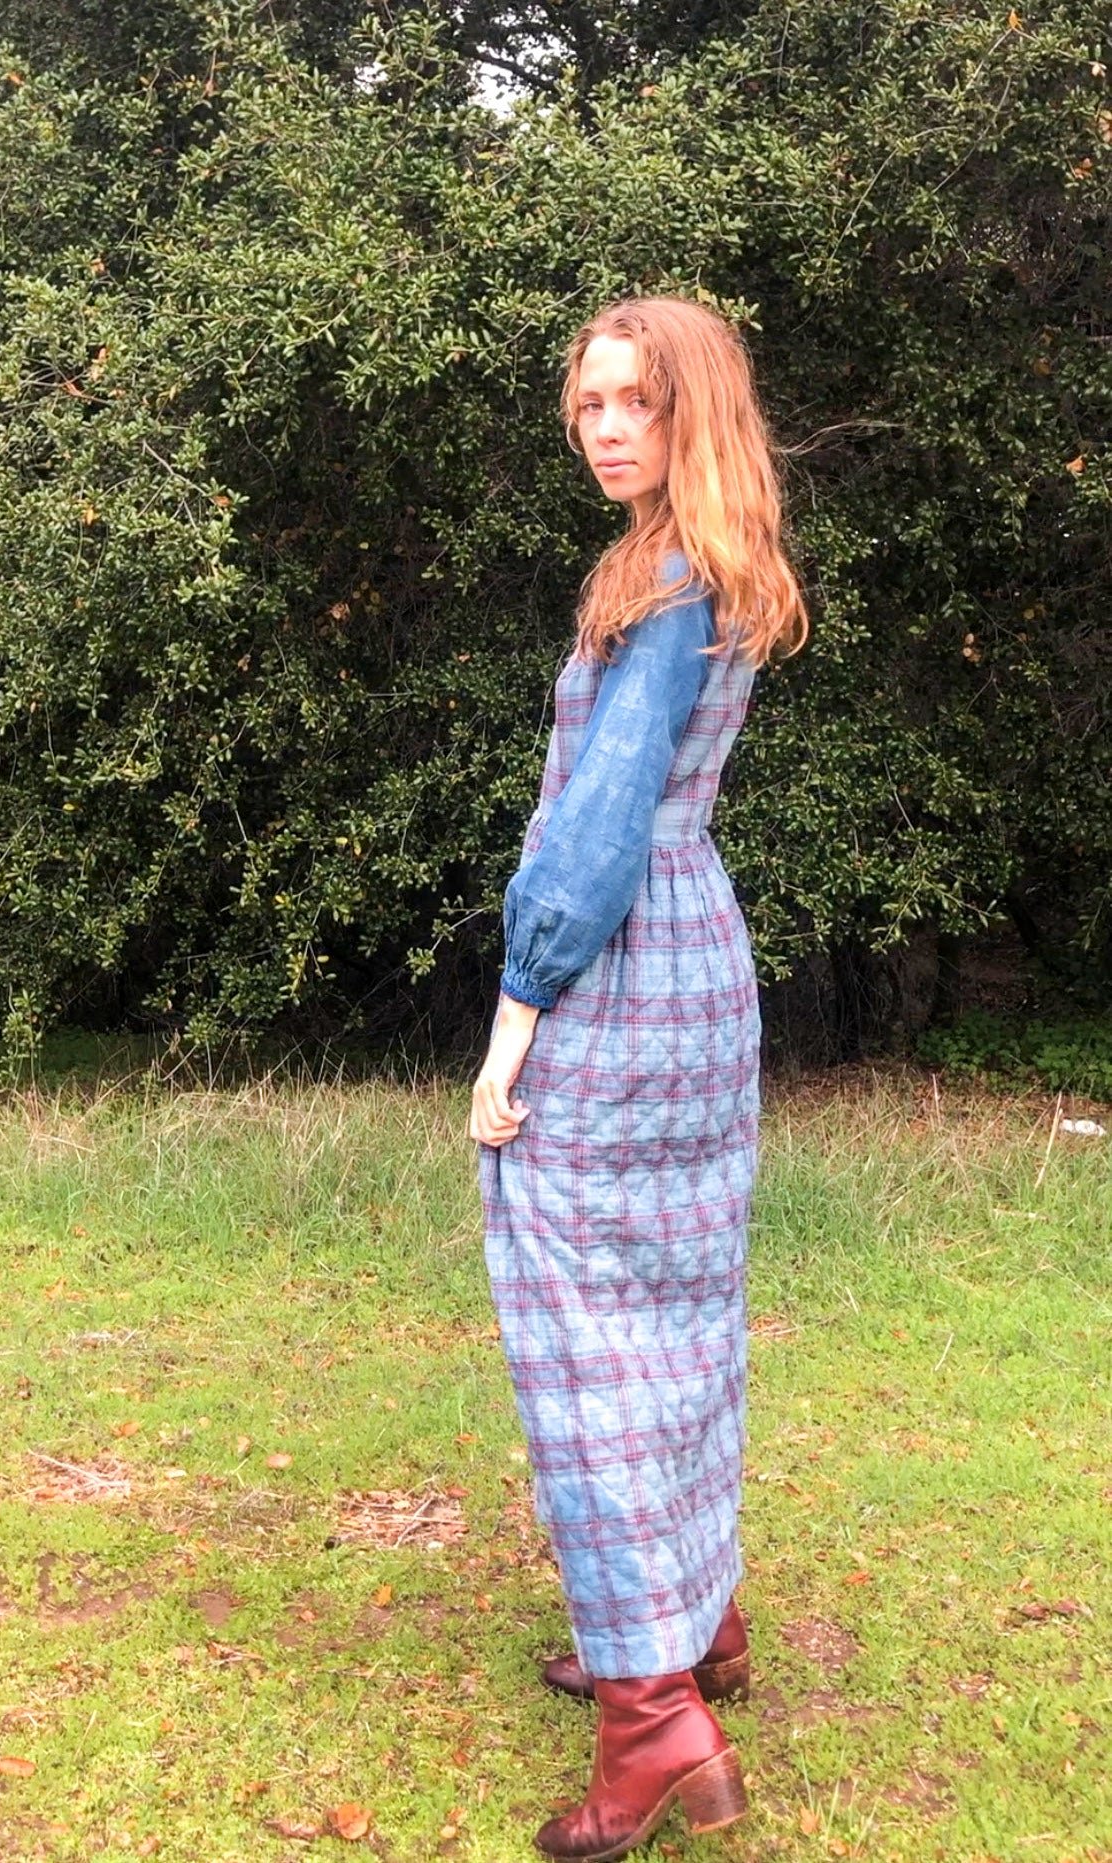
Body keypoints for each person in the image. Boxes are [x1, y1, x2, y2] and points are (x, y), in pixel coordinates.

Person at [470, 294, 808, 1862]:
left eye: (635, 403)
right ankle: (697, 1623)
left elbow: (597, 827)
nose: (605, 429)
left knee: (584, 1332)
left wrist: (513, 1017)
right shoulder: (713, 563)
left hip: (618, 973)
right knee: (675, 1306)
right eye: (588, 405)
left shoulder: (664, 585)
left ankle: (652, 1718)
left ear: (694, 411)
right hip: (697, 971)